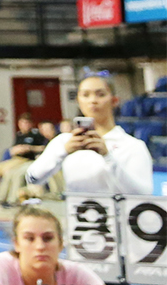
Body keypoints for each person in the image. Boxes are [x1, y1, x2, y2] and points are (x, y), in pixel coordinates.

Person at [24, 70, 152, 196]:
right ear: (78, 101)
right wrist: (63, 152)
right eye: (85, 95)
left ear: (114, 101)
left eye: (100, 94)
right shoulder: (64, 141)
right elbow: (32, 179)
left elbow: (143, 194)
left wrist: (108, 157)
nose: (92, 100)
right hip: (76, 215)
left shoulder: (132, 146)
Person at [0, 206, 108, 285]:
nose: (40, 247)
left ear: (61, 244)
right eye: (29, 238)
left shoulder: (76, 273)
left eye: (48, 238)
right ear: (17, 244)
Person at [0, 115, 48, 205]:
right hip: (15, 159)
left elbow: (43, 148)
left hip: (26, 159)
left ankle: (10, 198)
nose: (23, 125)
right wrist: (15, 150)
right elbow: (13, 149)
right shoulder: (19, 135)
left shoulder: (36, 135)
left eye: (26, 123)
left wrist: (29, 148)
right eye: (21, 123)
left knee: (9, 172)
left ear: (30, 124)